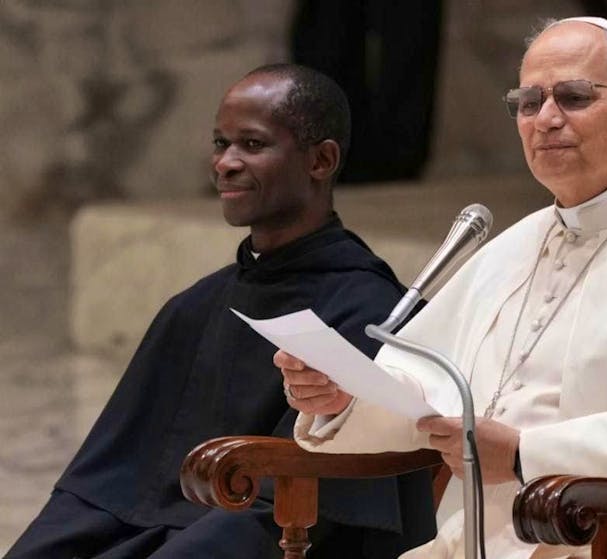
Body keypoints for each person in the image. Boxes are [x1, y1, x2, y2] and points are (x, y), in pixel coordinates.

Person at [278, 18, 607, 559]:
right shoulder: (514, 246)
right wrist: (343, 397)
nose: (547, 119)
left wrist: (528, 454)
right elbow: (427, 396)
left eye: (573, 97)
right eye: (529, 103)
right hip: (485, 540)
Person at [6, 64, 435, 559]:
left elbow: (294, 513)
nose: (224, 164)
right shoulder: (195, 306)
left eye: (251, 145)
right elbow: (100, 488)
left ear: (321, 160)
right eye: (220, 143)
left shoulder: (374, 311)